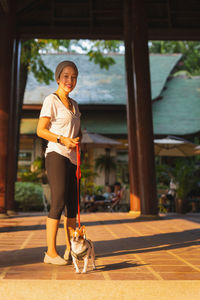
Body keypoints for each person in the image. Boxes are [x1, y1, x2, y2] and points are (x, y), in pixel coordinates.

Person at [37, 60, 82, 265]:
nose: (69, 80)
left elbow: (77, 130)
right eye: (66, 76)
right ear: (58, 78)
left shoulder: (75, 105)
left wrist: (76, 139)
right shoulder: (51, 100)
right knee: (58, 201)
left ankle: (71, 250)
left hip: (73, 159)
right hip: (56, 154)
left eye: (73, 77)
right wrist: (61, 139)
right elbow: (41, 130)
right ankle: (50, 252)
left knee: (72, 206)